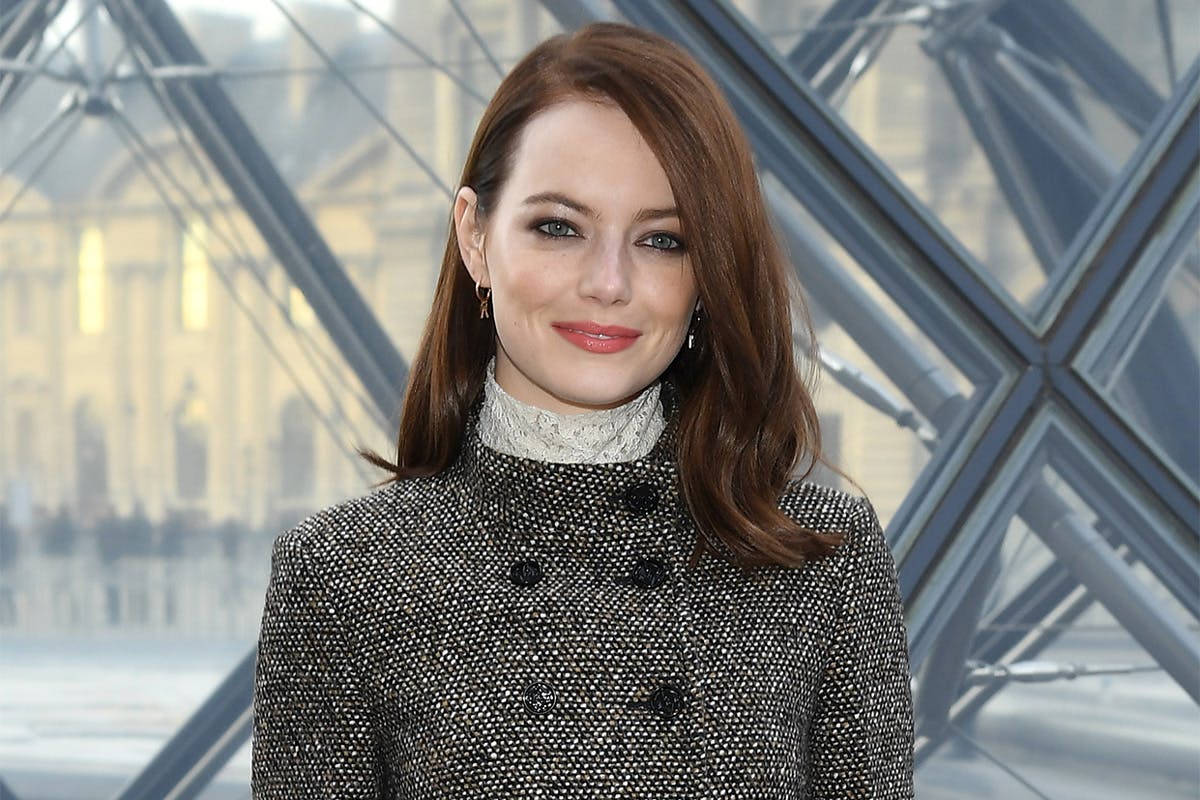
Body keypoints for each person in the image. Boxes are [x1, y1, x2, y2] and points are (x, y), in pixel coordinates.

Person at [252, 21, 914, 799]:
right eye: (558, 228)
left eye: (662, 240)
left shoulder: (825, 562)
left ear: (707, 273)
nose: (608, 283)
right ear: (475, 237)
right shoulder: (341, 575)